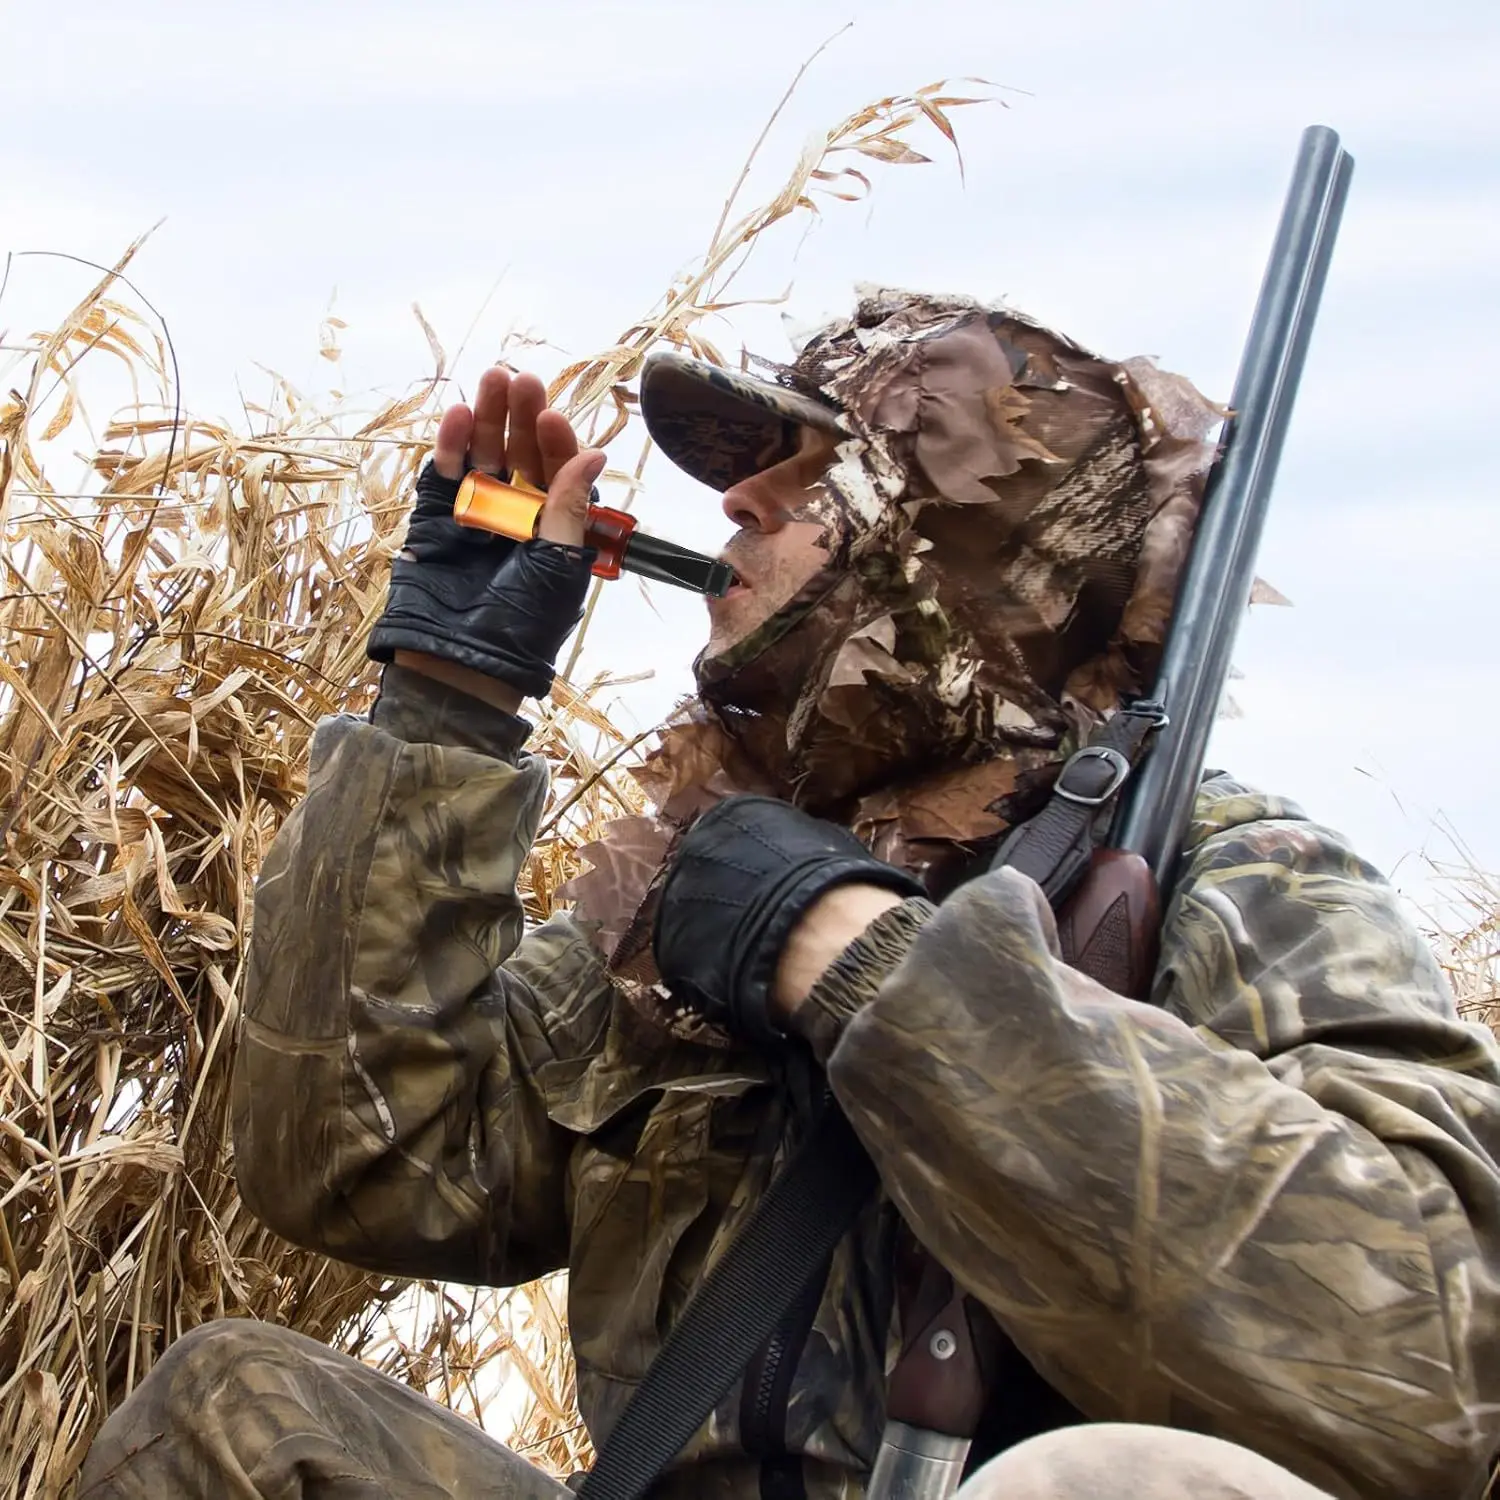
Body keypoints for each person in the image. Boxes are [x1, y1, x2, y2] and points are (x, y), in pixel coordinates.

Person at [78, 290, 1500, 1500]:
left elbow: (1424, 1366)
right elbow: (364, 1165)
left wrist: (861, 959)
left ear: (951, 544)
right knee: (242, 1417)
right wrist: (445, 705)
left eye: (808, 478)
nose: (734, 505)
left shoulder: (1240, 881)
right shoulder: (693, 887)